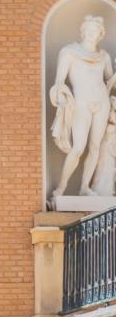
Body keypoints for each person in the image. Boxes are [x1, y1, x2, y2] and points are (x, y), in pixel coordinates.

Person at [51, 13, 116, 201]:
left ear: (100, 34)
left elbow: (110, 83)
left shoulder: (104, 56)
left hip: (102, 102)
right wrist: (61, 96)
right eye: (88, 29)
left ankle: (84, 187)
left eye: (95, 31)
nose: (91, 33)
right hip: (82, 102)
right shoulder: (69, 52)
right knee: (78, 147)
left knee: (95, 146)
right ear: (82, 31)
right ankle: (60, 189)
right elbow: (58, 82)